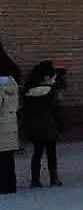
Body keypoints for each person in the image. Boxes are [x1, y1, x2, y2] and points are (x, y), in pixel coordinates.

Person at [21, 59, 66, 187]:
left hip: (35, 127)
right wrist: (61, 125)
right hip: (50, 126)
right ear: (46, 77)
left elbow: (26, 112)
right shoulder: (50, 92)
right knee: (51, 154)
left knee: (37, 153)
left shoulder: (28, 91)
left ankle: (35, 180)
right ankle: (54, 179)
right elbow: (56, 111)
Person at [0, 43, 21, 195]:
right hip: (10, 125)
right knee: (8, 158)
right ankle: (10, 185)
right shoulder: (11, 82)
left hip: (1, 126)